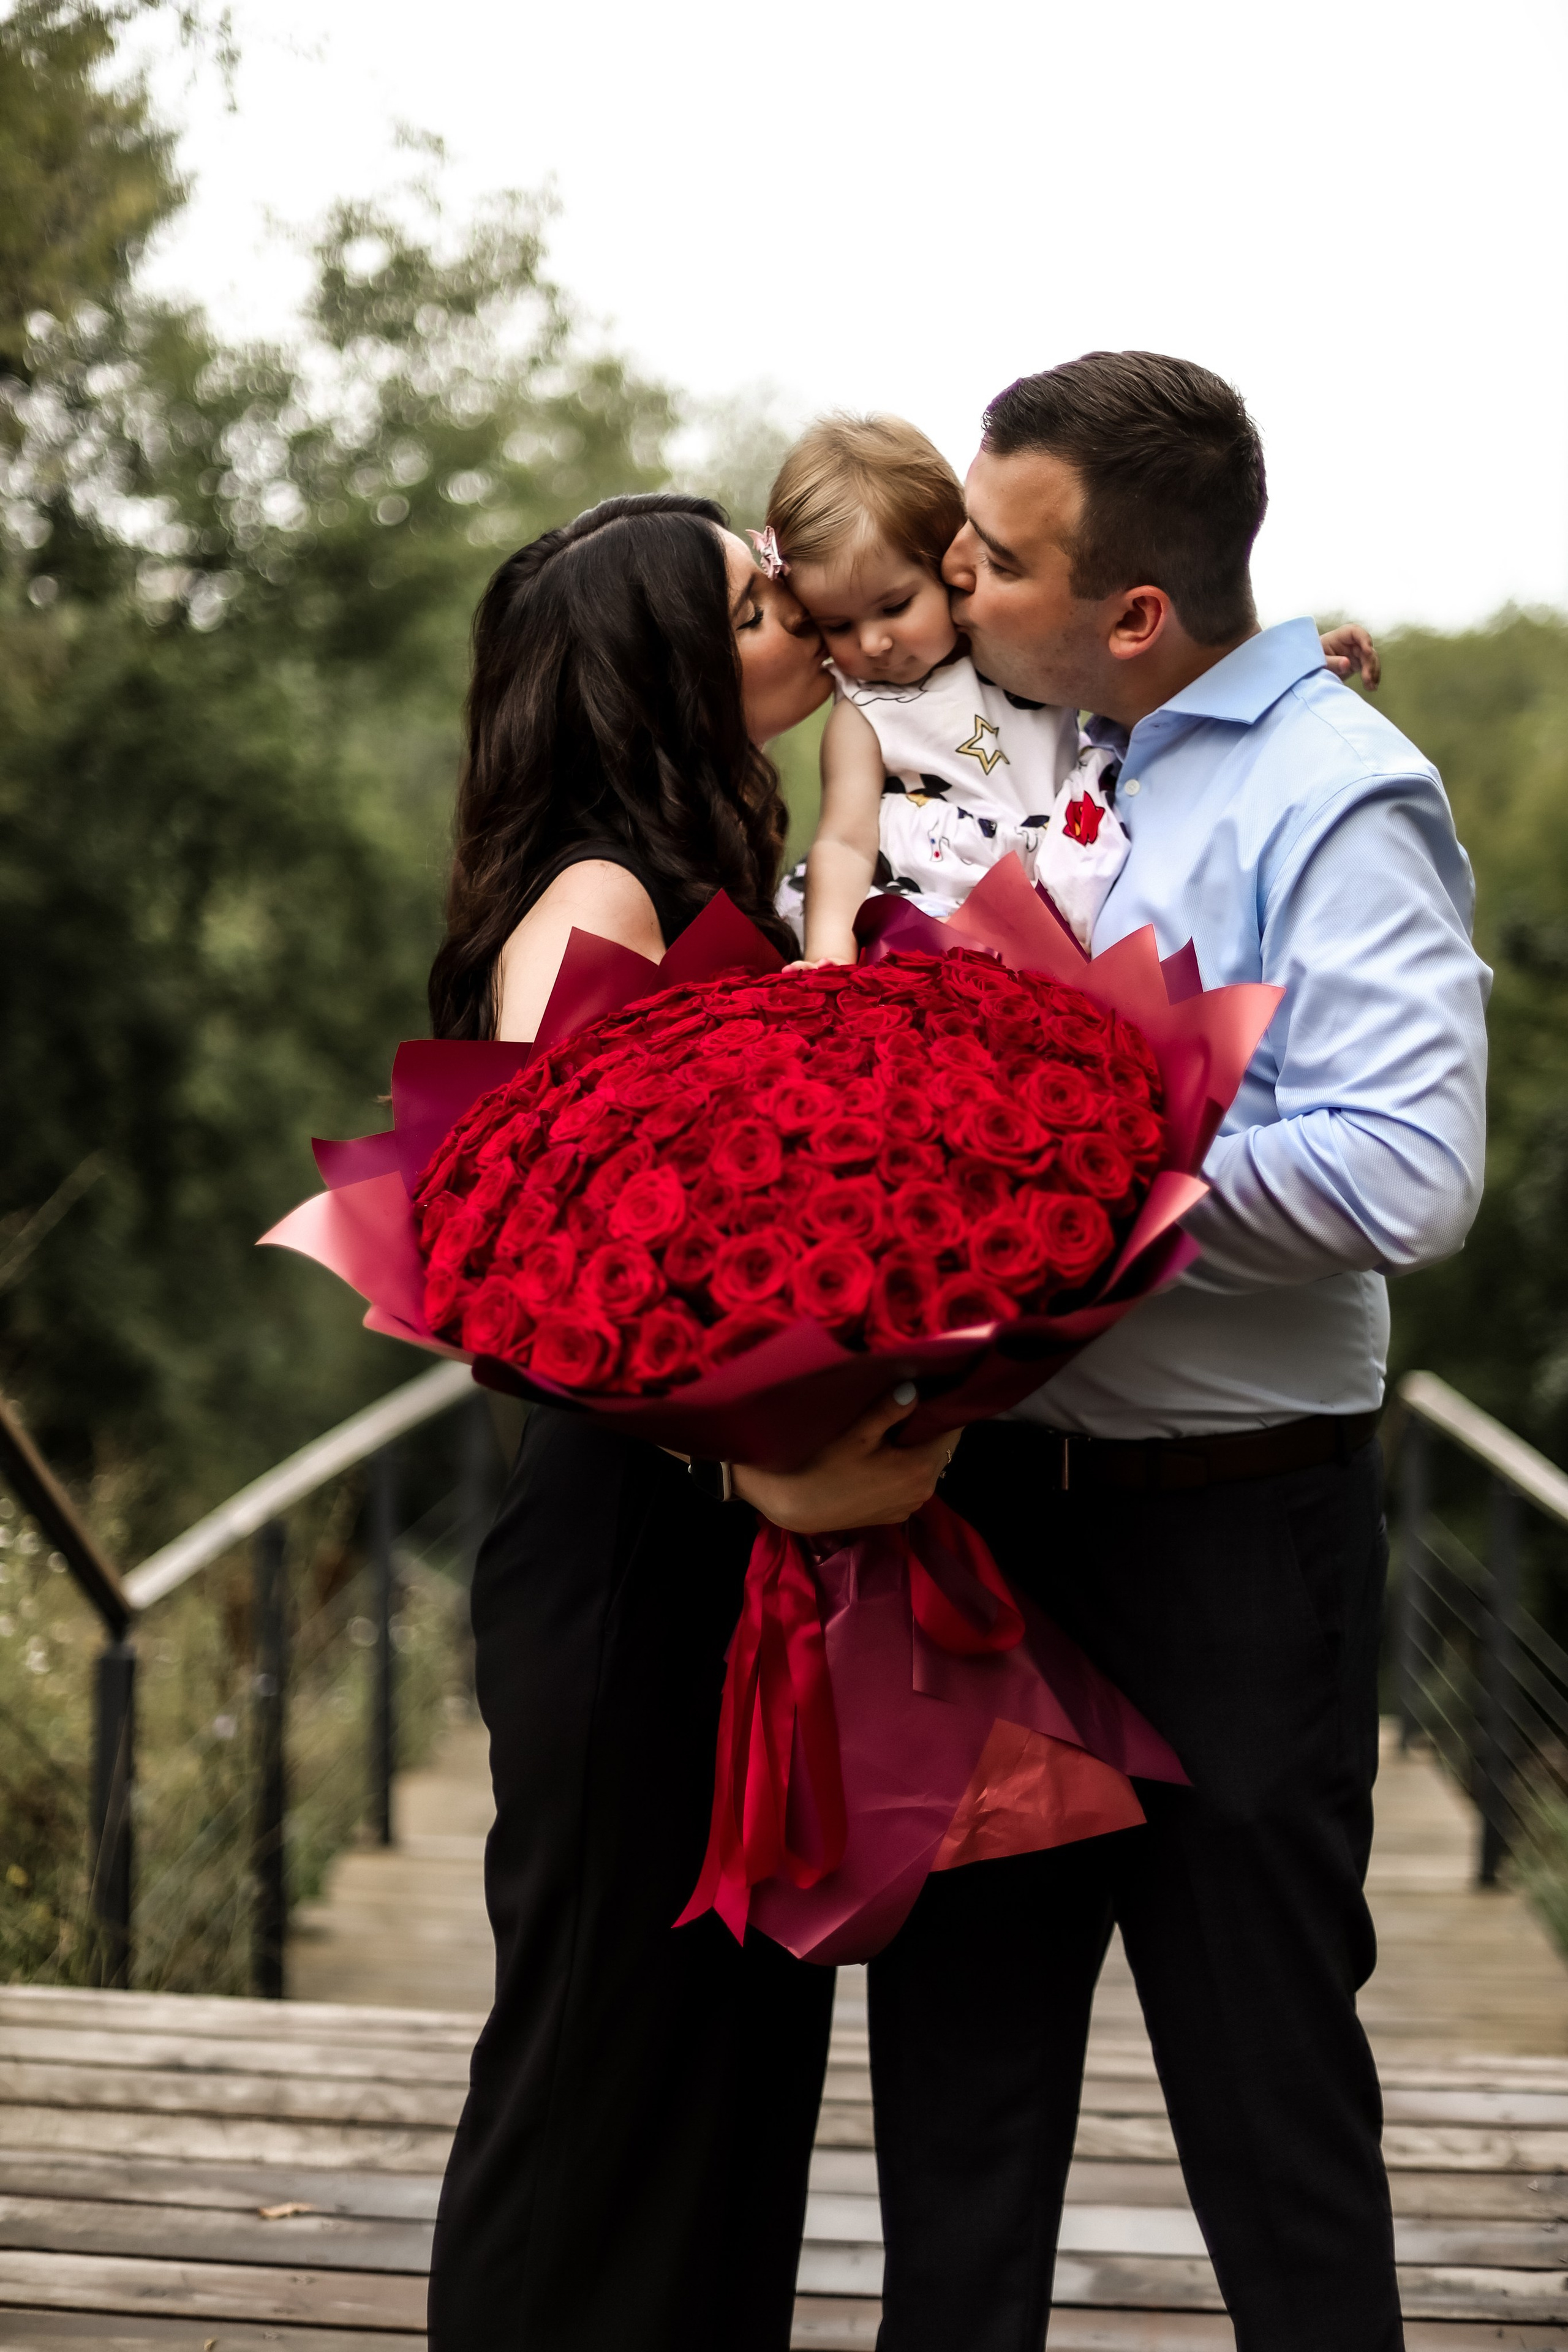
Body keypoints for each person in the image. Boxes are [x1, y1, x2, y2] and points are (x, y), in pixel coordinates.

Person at [862, 355, 1489, 2352]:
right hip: (986, 1552)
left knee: (1270, 2124)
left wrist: (1084, 1206)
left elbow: (1410, 1171)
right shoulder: (1067, 739)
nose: (959, 581)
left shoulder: (1341, 790)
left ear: (1136, 608)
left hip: (1228, 1555)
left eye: (1000, 557)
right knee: (954, 2124)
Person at [423, 493, 959, 2352]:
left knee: (728, 2084)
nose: (802, 609)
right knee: (596, 2083)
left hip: (731, 1556)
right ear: (664, 661)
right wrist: (746, 1456)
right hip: (632, 1561)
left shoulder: (708, 864)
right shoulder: (596, 898)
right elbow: (525, 1275)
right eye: (752, 599)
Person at [762, 411, 1379, 960]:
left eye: (895, 606)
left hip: (1059, 886)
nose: (872, 643)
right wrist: (827, 961)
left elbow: (1158, 665)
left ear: (944, 564)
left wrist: (1275, 661)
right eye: (837, 625)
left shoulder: (1013, 653)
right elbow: (844, 841)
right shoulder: (867, 710)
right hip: (926, 914)